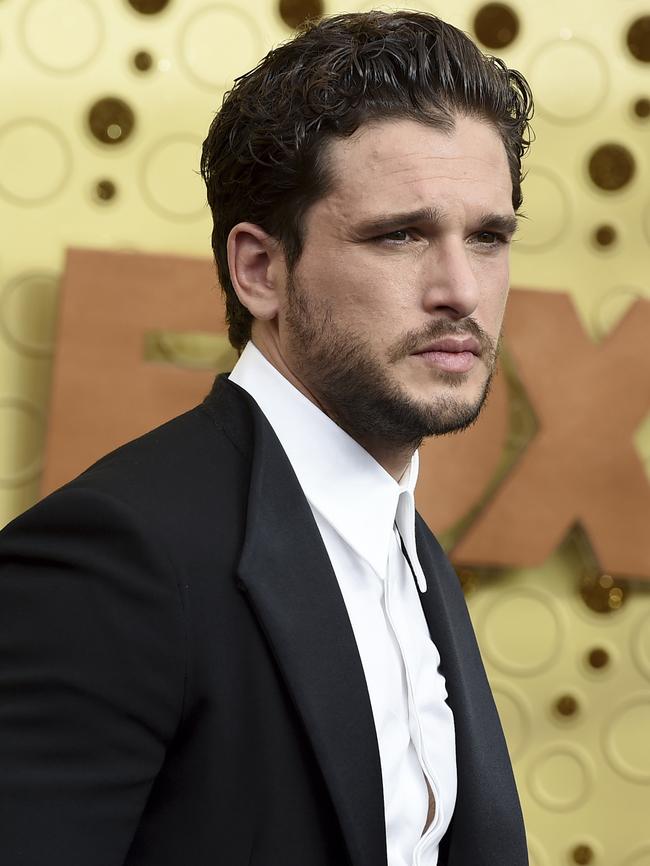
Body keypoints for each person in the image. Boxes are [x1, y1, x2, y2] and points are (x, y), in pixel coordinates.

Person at [0, 11, 533, 866]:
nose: (461, 289)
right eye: (400, 235)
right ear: (259, 270)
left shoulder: (406, 546)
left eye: (489, 237)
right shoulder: (117, 557)